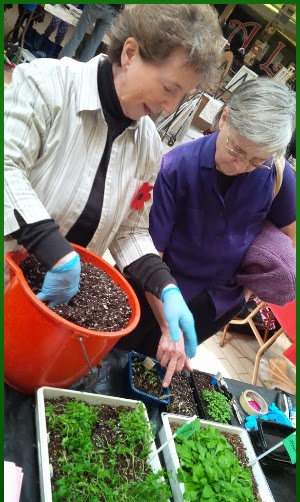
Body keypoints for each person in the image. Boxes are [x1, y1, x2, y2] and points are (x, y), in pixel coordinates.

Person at [4, 4, 224, 387]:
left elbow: (131, 230)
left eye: (182, 96)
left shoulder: (148, 146)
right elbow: (7, 167)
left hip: (57, 308)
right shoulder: (47, 84)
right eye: (169, 88)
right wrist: (54, 250)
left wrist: (165, 286)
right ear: (130, 53)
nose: (169, 107)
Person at [118, 77, 296, 367]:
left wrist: (255, 282)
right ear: (225, 117)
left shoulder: (276, 175)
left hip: (217, 301)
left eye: (256, 160)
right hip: (161, 292)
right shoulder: (176, 167)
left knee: (160, 369)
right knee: (123, 357)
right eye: (237, 151)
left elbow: (290, 236)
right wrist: (168, 327)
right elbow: (151, 253)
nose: (242, 167)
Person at [58, 4, 123, 62]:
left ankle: (61, 63)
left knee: (77, 36)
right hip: (113, 11)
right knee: (93, 45)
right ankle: (82, 72)